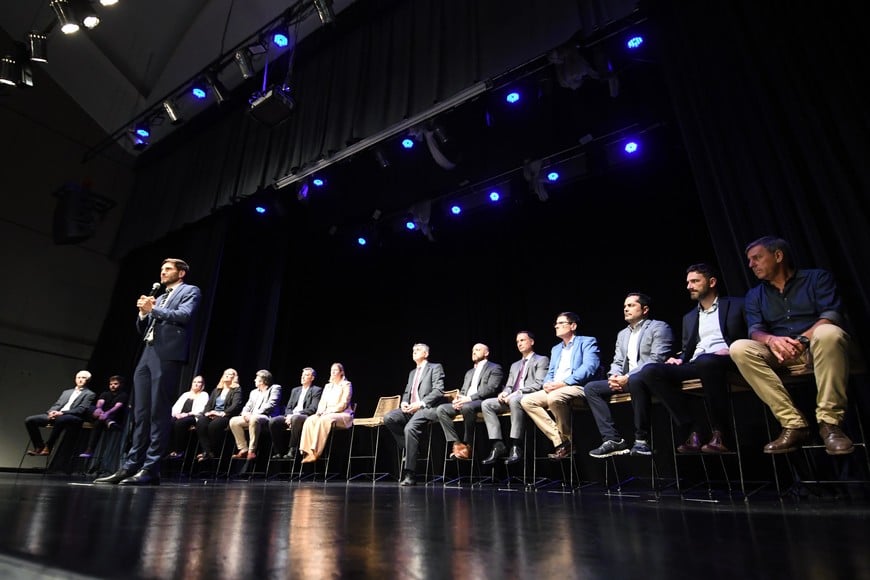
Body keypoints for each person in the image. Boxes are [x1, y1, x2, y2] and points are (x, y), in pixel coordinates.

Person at [730, 236, 853, 455]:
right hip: (780, 352)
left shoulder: (817, 278)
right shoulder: (755, 294)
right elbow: (755, 329)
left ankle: (830, 424)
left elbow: (832, 315)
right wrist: (772, 340)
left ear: (778, 256)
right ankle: (793, 423)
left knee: (829, 332)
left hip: (818, 347)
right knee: (739, 347)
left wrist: (803, 340)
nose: (751, 265)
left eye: (757, 258)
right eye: (749, 261)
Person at [95, 258, 201, 486]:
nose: (163, 273)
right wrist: (143, 314)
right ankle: (129, 466)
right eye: (161, 269)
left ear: (181, 273)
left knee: (157, 412)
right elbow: (142, 327)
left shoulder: (190, 291)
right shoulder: (160, 297)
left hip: (167, 354)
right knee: (140, 413)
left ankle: (151, 469)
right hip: (147, 353)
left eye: (168, 269)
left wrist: (154, 309)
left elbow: (184, 315)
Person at [629, 264, 746, 455]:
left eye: (695, 281)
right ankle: (693, 427)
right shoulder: (690, 317)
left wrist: (733, 349)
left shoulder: (737, 304)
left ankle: (721, 433)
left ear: (712, 282)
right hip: (697, 362)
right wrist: (680, 359)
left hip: (728, 358)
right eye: (688, 282)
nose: (689, 286)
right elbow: (687, 349)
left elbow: (751, 334)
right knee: (650, 370)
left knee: (707, 361)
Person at [584, 293, 674, 458]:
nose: (626, 309)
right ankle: (612, 439)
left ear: (645, 309)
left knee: (635, 380)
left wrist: (628, 376)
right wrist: (614, 376)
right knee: (591, 388)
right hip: (625, 379)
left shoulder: (659, 327)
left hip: (647, 378)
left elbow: (657, 358)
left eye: (631, 305)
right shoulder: (622, 334)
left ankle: (642, 441)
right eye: (625, 306)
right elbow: (617, 360)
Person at [521, 312, 601, 459]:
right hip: (556, 387)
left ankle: (566, 441)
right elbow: (551, 372)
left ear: (573, 326)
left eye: (561, 323)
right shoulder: (556, 349)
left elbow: (589, 367)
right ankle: (561, 441)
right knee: (527, 401)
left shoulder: (587, 341)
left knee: (554, 397)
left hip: (577, 386)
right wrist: (546, 384)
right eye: (556, 324)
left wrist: (564, 383)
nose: (557, 326)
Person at [481, 331, 549, 465]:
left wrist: (516, 393)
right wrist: (504, 392)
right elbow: (509, 385)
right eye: (518, 341)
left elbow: (539, 384)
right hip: (512, 398)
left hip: (529, 397)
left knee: (514, 399)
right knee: (486, 404)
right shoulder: (515, 365)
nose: (519, 344)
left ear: (532, 342)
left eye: (523, 340)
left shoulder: (542, 360)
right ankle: (497, 444)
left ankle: (516, 445)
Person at [384, 343, 446, 486]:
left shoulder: (435, 368)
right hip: (410, 409)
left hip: (425, 408)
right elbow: (407, 393)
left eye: (418, 350)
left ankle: (410, 474)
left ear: (426, 354)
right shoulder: (412, 373)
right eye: (413, 350)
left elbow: (438, 390)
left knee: (409, 429)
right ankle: (411, 447)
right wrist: (404, 403)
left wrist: (421, 403)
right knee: (389, 418)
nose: (414, 352)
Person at [434, 343, 503, 461]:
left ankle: (468, 445)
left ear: (486, 353)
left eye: (477, 349)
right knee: (441, 409)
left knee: (467, 408)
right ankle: (457, 445)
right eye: (473, 350)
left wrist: (469, 399)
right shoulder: (469, 372)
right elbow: (464, 391)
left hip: (482, 401)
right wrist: (458, 399)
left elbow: (491, 388)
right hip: (466, 401)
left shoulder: (495, 368)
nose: (474, 352)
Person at [25, 370, 97, 457]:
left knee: (61, 419)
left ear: (88, 380)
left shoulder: (90, 394)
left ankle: (49, 446)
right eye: (78, 377)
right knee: (30, 420)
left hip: (73, 416)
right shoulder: (66, 392)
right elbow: (57, 404)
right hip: (57, 415)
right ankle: (39, 446)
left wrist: (61, 413)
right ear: (75, 379)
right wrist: (51, 413)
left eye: (83, 378)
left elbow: (80, 409)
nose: (80, 380)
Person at [299, 363, 353, 463]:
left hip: (342, 414)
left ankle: (315, 452)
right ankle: (307, 450)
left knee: (324, 420)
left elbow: (344, 403)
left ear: (341, 372)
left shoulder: (346, 385)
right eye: (331, 370)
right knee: (310, 419)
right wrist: (320, 411)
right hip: (326, 413)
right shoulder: (328, 386)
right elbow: (322, 402)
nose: (333, 372)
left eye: (335, 370)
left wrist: (329, 411)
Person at [268, 367, 323, 459]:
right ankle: (278, 450)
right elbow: (288, 407)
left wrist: (295, 415)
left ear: (312, 378)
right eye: (302, 375)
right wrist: (289, 415)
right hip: (290, 416)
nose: (303, 377)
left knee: (296, 418)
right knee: (273, 421)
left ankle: (292, 449)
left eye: (306, 375)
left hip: (305, 416)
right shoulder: (295, 390)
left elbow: (313, 408)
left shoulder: (316, 390)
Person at [229, 370, 283, 461]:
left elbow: (271, 404)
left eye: (256, 379)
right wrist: (245, 414)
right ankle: (243, 449)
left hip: (266, 416)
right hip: (252, 416)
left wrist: (254, 414)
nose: (254, 380)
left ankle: (251, 451)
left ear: (262, 381)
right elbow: (248, 406)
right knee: (234, 421)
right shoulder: (253, 392)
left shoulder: (275, 388)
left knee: (254, 418)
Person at [194, 368, 244, 462]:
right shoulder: (217, 390)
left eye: (230, 374)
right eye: (225, 373)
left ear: (234, 377)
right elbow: (209, 405)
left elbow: (236, 405)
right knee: (201, 423)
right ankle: (207, 451)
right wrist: (208, 412)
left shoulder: (236, 390)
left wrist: (222, 413)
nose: (227, 375)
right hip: (212, 414)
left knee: (214, 426)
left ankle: (211, 451)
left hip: (225, 415)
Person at [79, 375, 129, 459]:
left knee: (98, 423)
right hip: (101, 416)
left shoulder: (123, 395)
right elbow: (100, 403)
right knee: (91, 408)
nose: (112, 386)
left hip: (113, 415)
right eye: (111, 384)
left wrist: (106, 414)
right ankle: (108, 421)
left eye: (115, 384)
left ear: (121, 385)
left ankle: (89, 450)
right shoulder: (105, 393)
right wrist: (100, 411)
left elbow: (117, 407)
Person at [166, 375, 209, 459]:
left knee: (180, 423)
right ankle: (168, 450)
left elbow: (201, 410)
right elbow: (175, 408)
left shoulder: (204, 395)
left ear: (202, 385)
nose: (196, 384)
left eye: (199, 382)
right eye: (194, 382)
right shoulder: (185, 394)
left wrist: (187, 414)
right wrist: (177, 414)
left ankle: (179, 450)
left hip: (193, 417)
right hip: (180, 416)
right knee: (169, 422)